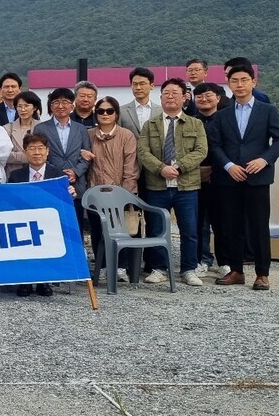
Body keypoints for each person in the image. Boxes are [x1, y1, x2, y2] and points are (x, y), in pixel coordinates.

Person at [209, 65, 279, 291]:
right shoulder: (222, 114)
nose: (240, 84)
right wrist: (228, 165)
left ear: (254, 82)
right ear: (229, 84)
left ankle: (262, 273)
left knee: (258, 226)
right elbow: (214, 144)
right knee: (231, 226)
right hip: (230, 177)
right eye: (235, 80)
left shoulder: (268, 110)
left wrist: (264, 160)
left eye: (244, 80)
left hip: (258, 177)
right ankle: (236, 271)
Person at [137, 78, 207, 287]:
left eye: (175, 92)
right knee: (157, 228)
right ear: (161, 97)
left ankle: (188, 268)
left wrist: (178, 167)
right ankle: (159, 268)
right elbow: (143, 151)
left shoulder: (196, 123)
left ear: (184, 97)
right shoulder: (150, 125)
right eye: (166, 93)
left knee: (190, 230)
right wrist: (161, 168)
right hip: (157, 186)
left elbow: (201, 151)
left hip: (187, 186)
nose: (170, 96)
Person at [7, 133, 71, 297]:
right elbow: (8, 201)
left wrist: (70, 192)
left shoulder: (58, 176)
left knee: (47, 241)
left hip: (48, 224)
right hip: (23, 221)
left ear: (47, 151)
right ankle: (25, 281)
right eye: (32, 149)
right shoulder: (16, 176)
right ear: (25, 152)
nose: (37, 153)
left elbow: (63, 203)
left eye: (40, 148)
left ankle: (44, 281)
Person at [85, 96, 139, 283]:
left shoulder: (127, 135)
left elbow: (131, 167)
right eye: (101, 111)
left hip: (120, 194)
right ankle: (102, 267)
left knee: (121, 232)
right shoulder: (89, 134)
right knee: (98, 232)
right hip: (94, 193)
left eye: (109, 111)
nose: (105, 114)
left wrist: (124, 195)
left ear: (116, 113)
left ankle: (121, 267)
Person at [33, 88, 92, 219]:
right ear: (51, 106)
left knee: (77, 224)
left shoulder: (81, 129)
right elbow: (39, 155)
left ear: (72, 106)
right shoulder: (40, 128)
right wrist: (57, 173)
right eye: (56, 102)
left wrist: (75, 172)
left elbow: (87, 156)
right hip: (51, 180)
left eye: (65, 102)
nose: (60, 106)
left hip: (76, 183)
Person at [191, 82, 230, 276]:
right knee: (199, 223)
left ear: (218, 98)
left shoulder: (227, 120)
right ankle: (202, 260)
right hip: (195, 178)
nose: (204, 99)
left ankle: (224, 261)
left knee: (221, 222)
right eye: (199, 97)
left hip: (220, 178)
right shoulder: (190, 121)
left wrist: (215, 168)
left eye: (208, 96)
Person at [4, 91, 43, 177]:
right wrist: (27, 157)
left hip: (37, 174)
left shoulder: (42, 127)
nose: (23, 110)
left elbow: (47, 152)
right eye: (19, 106)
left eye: (26, 106)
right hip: (13, 174)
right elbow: (4, 154)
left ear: (34, 107)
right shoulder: (7, 128)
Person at [119, 67, 161, 137]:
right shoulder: (121, 111)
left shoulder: (160, 111)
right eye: (135, 84)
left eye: (142, 84)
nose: (138, 88)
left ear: (152, 86)